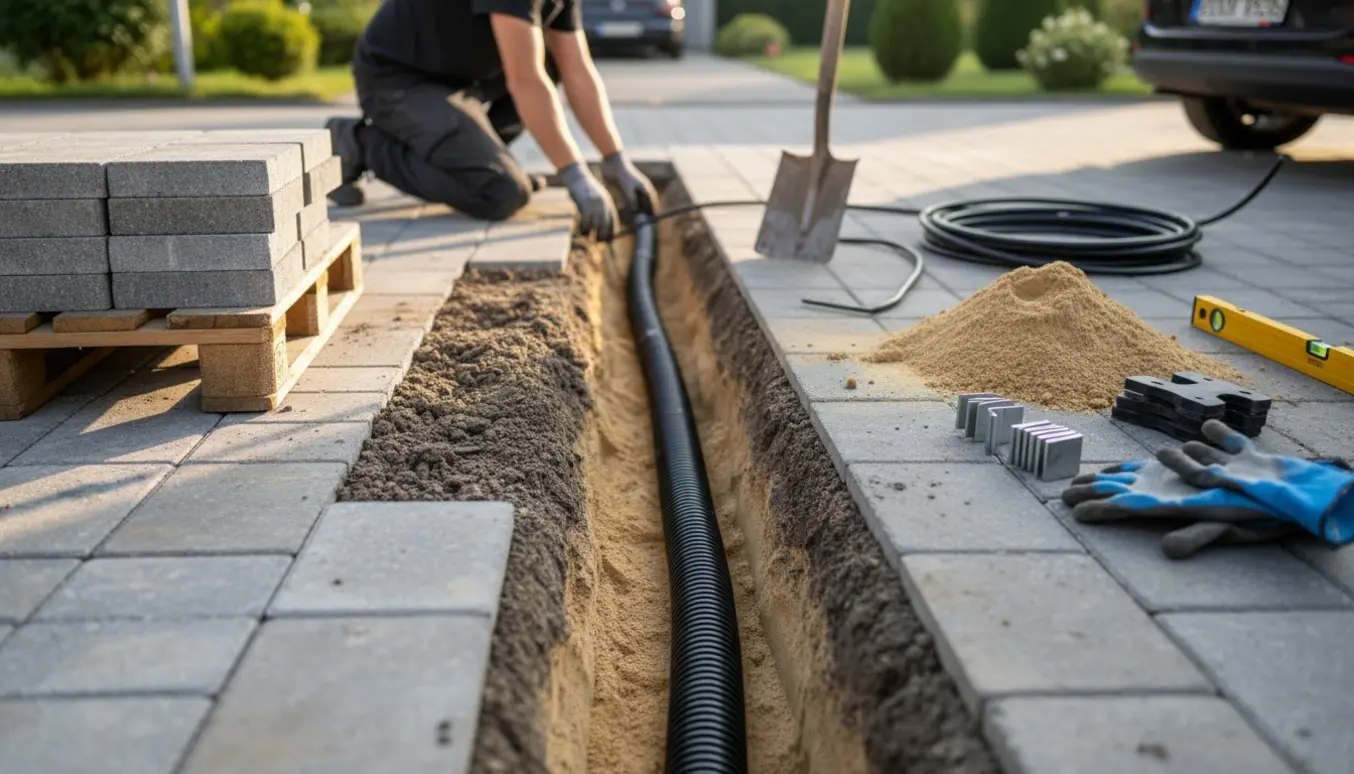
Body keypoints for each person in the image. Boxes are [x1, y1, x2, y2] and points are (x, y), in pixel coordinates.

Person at [325, 0, 657, 241]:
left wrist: (617, 160)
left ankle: (476, 158)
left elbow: (578, 72)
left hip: (458, 82)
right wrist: (575, 175)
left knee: (550, 62)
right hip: (397, 79)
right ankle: (358, 144)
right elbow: (525, 80)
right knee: (500, 192)